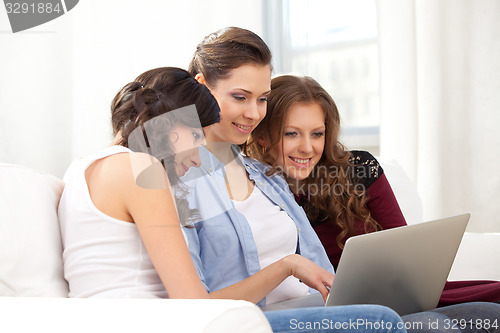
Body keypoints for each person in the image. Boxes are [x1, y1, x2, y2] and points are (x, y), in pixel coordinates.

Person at [183, 26, 484, 333]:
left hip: (315, 308)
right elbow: (195, 305)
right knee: (427, 325)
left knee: (480, 314)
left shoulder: (263, 178)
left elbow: (322, 270)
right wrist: (288, 266)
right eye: (240, 97)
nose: (253, 113)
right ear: (202, 87)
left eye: (261, 99)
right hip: (262, 320)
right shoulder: (177, 177)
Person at [245, 73, 500, 332]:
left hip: (400, 296)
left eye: (317, 134)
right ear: (263, 135)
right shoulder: (256, 192)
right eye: (292, 134)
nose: (307, 147)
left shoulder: (359, 169)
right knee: (439, 325)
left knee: (493, 311)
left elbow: (407, 247)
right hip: (337, 311)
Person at [58, 67, 220, 299]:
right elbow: (192, 301)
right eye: (196, 136)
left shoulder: (79, 168)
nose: (196, 159)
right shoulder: (140, 169)